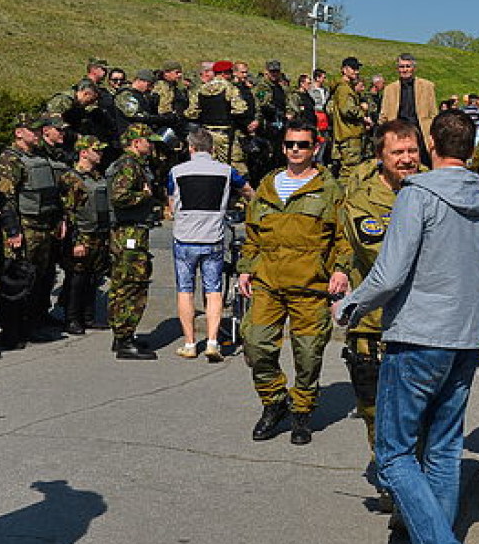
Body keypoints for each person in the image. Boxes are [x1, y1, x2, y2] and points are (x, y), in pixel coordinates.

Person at [335, 110, 479, 544]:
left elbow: (389, 274)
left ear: (432, 144)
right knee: (445, 447)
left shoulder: (417, 195)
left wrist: (352, 306)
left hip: (418, 336)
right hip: (465, 336)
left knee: (393, 453)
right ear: (472, 148)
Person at [238, 120, 349, 445]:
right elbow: (253, 233)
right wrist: (246, 267)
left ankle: (301, 412)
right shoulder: (269, 185)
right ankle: (274, 401)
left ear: (315, 147)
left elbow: (344, 237)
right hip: (268, 282)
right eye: (290, 144)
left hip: (310, 286)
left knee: (309, 354)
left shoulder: (329, 189)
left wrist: (341, 270)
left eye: (302, 144)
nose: (295, 150)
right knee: (256, 344)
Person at [334, 119, 422, 490]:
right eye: (397, 152)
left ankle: (414, 480)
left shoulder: (434, 188)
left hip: (422, 321)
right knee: (374, 407)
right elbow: (384, 259)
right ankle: (390, 474)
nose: (406, 159)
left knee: (419, 410)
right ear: (380, 157)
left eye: (412, 151)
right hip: (374, 321)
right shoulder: (363, 199)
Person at [167, 129, 252, 361]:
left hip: (184, 237)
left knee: (185, 290)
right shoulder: (226, 171)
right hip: (213, 236)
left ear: (190, 148)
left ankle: (190, 343)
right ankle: (213, 342)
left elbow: (171, 198)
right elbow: (246, 189)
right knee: (213, 289)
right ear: (213, 149)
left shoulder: (176, 171)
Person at [0, 115, 67, 349]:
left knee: (39, 279)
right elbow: (5, 199)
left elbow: (51, 193)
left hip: (44, 226)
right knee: (17, 281)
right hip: (24, 227)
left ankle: (31, 326)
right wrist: (13, 231)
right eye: (32, 130)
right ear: (19, 132)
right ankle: (11, 333)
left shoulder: (39, 157)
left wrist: (59, 219)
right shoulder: (9, 160)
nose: (36, 134)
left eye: (38, 130)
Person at [107, 124, 163, 360]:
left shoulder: (134, 165)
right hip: (129, 233)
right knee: (131, 284)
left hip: (132, 231)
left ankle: (123, 335)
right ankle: (124, 339)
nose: (150, 145)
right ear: (135, 142)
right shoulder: (129, 166)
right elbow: (119, 197)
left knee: (127, 283)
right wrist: (145, 195)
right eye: (147, 141)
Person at [58, 135, 112, 336]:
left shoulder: (97, 176)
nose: (100, 154)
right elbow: (68, 212)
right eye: (96, 150)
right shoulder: (71, 178)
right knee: (77, 277)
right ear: (83, 153)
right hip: (82, 234)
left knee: (92, 277)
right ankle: (71, 318)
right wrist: (75, 241)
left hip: (98, 233)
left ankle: (88, 316)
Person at [185, 60, 250, 169]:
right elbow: (240, 110)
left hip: (206, 135)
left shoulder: (201, 89)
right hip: (225, 134)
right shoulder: (230, 88)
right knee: (236, 168)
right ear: (225, 74)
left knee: (208, 167)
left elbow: (191, 113)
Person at [381, 53, 439, 164]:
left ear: (414, 68)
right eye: (402, 67)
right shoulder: (390, 89)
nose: (405, 70)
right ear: (397, 69)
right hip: (397, 132)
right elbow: (384, 116)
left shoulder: (427, 86)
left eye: (408, 66)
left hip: (421, 133)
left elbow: (433, 113)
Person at [329, 57, 368, 176]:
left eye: (357, 69)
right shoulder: (344, 89)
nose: (356, 72)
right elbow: (347, 110)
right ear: (344, 70)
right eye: (353, 68)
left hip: (344, 135)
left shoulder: (342, 87)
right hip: (349, 136)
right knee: (350, 172)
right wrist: (362, 110)